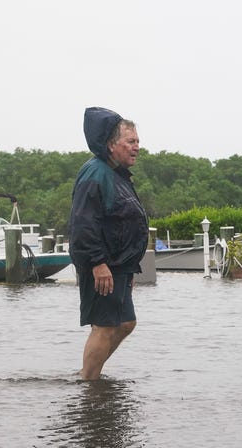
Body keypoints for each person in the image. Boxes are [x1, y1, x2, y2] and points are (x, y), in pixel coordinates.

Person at [69, 107, 149, 380]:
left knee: (126, 322)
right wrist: (97, 263)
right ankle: (88, 384)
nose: (137, 147)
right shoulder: (95, 173)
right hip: (103, 265)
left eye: (137, 141)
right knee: (103, 326)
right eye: (130, 141)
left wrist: (128, 269)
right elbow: (84, 224)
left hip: (119, 266)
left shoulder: (117, 173)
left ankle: (91, 375)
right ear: (111, 144)